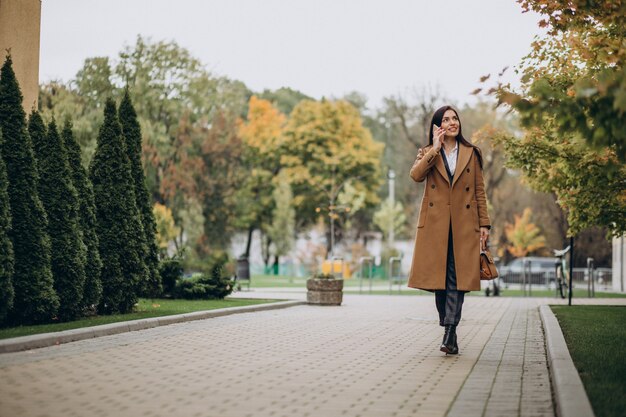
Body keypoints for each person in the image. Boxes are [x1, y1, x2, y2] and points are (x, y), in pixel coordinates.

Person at [407, 105, 491, 355]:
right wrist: (434, 148)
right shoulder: (427, 152)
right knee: (440, 282)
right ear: (437, 126)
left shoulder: (471, 153)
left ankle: (450, 331)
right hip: (436, 226)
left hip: (464, 225)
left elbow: (478, 191)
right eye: (446, 119)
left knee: (457, 280)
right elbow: (415, 176)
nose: (453, 122)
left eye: (455, 118)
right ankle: (448, 324)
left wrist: (484, 223)